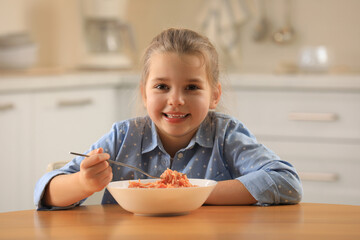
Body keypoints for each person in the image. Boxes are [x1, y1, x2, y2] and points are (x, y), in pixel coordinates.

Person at [34, 28, 302, 210]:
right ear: (144, 94)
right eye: (162, 87)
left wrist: (195, 193)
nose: (176, 100)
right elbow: (46, 192)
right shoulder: (123, 137)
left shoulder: (226, 135)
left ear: (214, 95)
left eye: (192, 87)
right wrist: (82, 183)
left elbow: (286, 182)